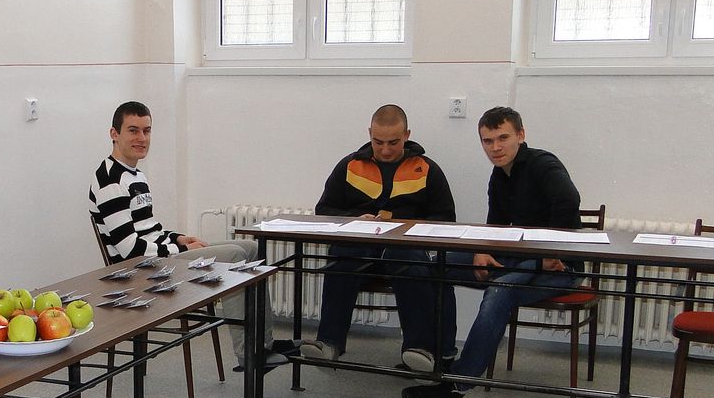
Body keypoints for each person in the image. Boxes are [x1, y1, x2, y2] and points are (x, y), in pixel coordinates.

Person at [89, 100, 292, 371]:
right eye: (133, 130)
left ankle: (264, 344)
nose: (142, 138)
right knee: (234, 256)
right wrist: (183, 251)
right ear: (114, 134)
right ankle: (249, 354)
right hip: (139, 271)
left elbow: (149, 229)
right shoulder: (110, 181)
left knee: (251, 248)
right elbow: (130, 250)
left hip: (157, 259)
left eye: (147, 131)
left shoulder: (135, 174)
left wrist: (178, 238)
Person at [400, 106, 581, 398]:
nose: (495, 147)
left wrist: (549, 254)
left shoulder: (543, 164)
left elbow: (569, 201)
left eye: (503, 138)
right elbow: (496, 226)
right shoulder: (499, 176)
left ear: (520, 135)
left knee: (500, 291)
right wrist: (483, 251)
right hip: (518, 260)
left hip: (560, 266)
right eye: (488, 140)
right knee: (437, 266)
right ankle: (442, 355)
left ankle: (456, 384)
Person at [308, 104, 456, 367]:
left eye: (393, 142)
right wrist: (354, 220)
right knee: (343, 254)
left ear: (407, 135)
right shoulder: (350, 165)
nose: (385, 150)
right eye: (378, 142)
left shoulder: (426, 169)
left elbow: (445, 219)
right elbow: (324, 210)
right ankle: (329, 343)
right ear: (369, 134)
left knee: (409, 258)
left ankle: (418, 350)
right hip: (360, 251)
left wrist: (406, 226)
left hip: (404, 251)